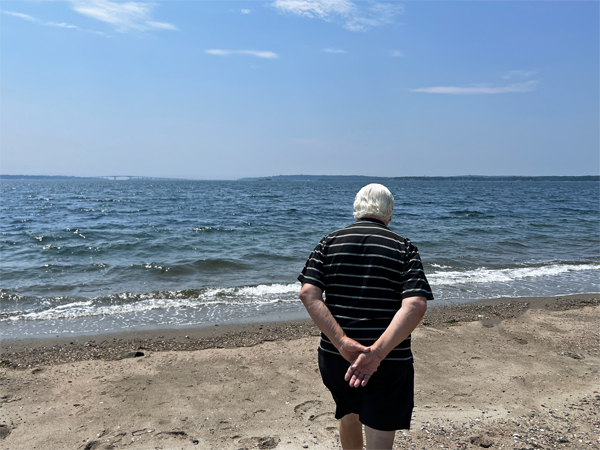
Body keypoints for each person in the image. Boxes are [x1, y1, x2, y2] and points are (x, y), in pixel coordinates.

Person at [298, 183, 434, 450]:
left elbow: (308, 294)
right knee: (381, 427)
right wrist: (376, 355)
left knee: (348, 412)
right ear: (390, 214)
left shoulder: (328, 242)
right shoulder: (403, 247)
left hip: (337, 357)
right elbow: (416, 305)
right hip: (390, 358)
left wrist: (341, 342)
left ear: (356, 209)